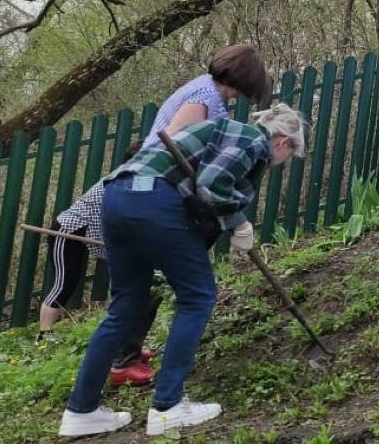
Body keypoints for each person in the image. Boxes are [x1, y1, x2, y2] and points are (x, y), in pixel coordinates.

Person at [58, 105, 307, 438]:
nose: (282, 162)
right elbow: (213, 183)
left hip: (117, 196)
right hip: (156, 200)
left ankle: (81, 412)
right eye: (288, 156)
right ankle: (167, 407)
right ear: (284, 142)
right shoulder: (251, 139)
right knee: (197, 297)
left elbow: (201, 191)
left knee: (125, 307)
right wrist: (239, 223)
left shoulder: (224, 132)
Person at [38, 143, 159, 387]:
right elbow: (110, 218)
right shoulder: (117, 183)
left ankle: (125, 348)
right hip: (69, 231)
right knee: (65, 283)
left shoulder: (137, 183)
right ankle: (44, 335)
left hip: (95, 233)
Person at [142, 44, 270, 148]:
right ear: (243, 78)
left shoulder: (209, 88)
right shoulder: (206, 94)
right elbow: (178, 142)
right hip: (155, 167)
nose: (244, 93)